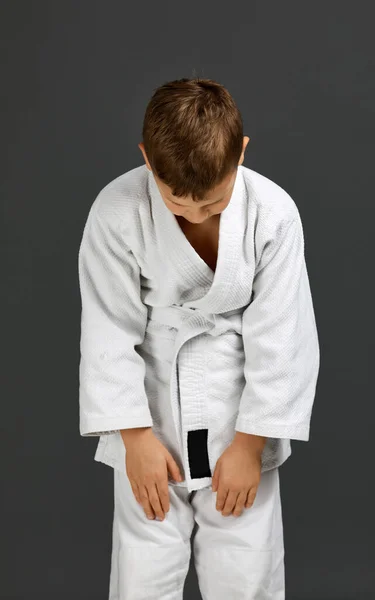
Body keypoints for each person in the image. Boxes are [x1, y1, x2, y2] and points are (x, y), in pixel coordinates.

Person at [78, 77, 320, 600]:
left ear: (242, 152)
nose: (194, 215)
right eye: (176, 204)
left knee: (246, 577)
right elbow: (107, 327)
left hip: (238, 415)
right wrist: (134, 437)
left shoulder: (273, 213)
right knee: (141, 578)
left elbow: (283, 334)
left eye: (211, 205)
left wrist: (251, 444)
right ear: (147, 158)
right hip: (151, 413)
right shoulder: (116, 211)